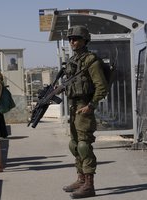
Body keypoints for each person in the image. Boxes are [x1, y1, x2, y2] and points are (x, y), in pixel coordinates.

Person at [62, 26, 108, 199]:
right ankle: (81, 179)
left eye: (76, 38)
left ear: (85, 40)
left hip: (84, 106)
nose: (72, 42)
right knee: (73, 144)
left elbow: (101, 87)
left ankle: (89, 185)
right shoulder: (74, 60)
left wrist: (91, 105)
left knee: (83, 145)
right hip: (74, 107)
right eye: (70, 39)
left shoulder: (91, 61)